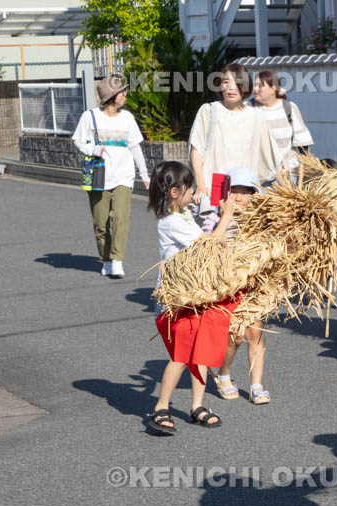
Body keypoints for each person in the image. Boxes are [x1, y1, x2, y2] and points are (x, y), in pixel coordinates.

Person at [144, 161, 235, 434]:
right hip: (176, 301)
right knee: (182, 356)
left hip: (194, 295)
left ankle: (197, 406)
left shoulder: (183, 216)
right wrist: (227, 215)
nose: (194, 191)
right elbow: (207, 246)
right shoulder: (171, 222)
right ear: (174, 192)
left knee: (202, 352)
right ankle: (161, 406)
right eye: (189, 187)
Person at [199, 167, 271, 405]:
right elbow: (207, 248)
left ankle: (256, 384)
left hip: (253, 286)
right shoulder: (214, 219)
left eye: (245, 192)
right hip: (224, 287)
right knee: (234, 338)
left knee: (255, 335)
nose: (239, 197)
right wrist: (226, 216)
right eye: (234, 192)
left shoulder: (262, 222)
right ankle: (224, 373)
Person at [72, 75, 150, 279]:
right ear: (111, 96)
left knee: (121, 219)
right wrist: (93, 149)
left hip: (123, 176)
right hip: (99, 176)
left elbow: (135, 147)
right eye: (121, 92)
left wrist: (144, 174)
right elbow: (78, 140)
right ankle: (105, 259)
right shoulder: (90, 117)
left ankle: (117, 259)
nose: (125, 95)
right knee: (100, 222)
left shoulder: (128, 118)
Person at [188, 63, 278, 209]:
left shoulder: (257, 117)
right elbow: (196, 149)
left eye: (237, 82)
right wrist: (200, 185)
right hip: (214, 193)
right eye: (225, 82)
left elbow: (272, 158)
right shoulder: (209, 111)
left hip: (246, 197)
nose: (231, 87)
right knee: (214, 230)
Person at [252, 70, 315, 181]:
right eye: (255, 85)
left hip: (289, 174)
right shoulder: (250, 109)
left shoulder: (289, 108)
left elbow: (302, 143)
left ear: (273, 89)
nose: (255, 89)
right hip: (260, 177)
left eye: (260, 86)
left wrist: (308, 167)